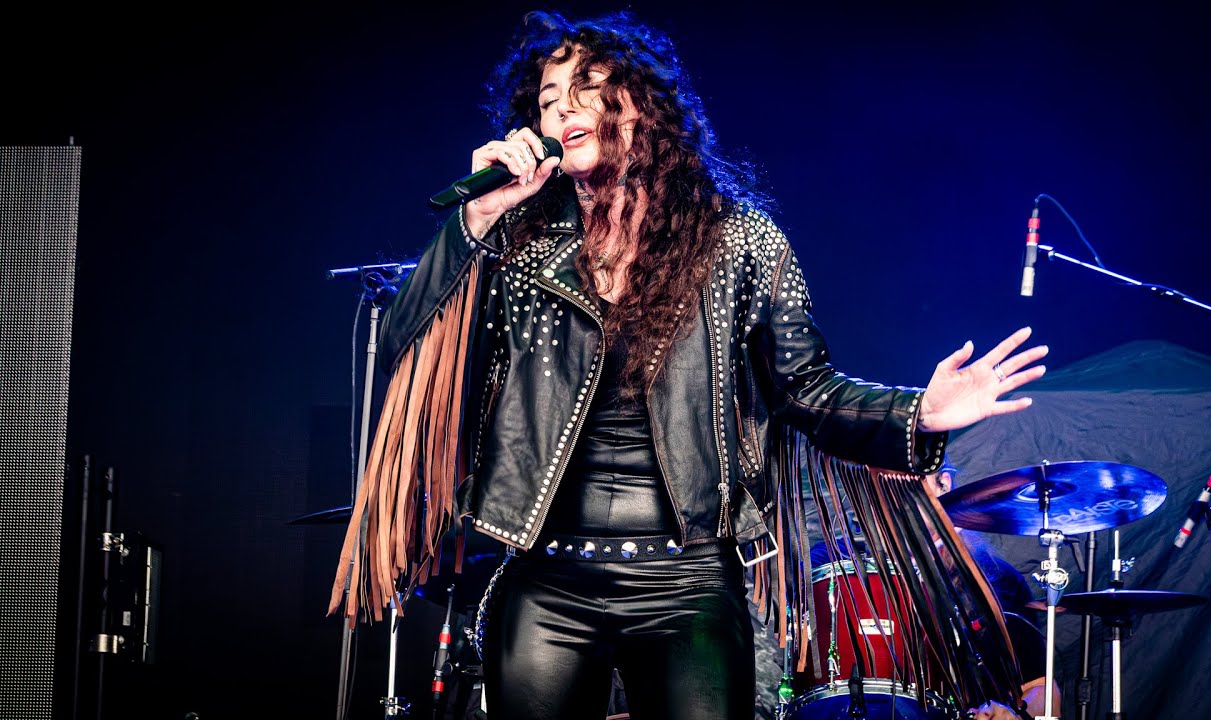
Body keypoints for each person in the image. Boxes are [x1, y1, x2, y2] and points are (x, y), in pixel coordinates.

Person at [329, 10, 1048, 720]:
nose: (563, 108)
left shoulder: (740, 244)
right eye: (548, 100)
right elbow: (405, 350)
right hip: (547, 578)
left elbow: (804, 387)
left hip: (688, 578)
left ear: (642, 106)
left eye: (587, 87)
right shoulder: (517, 242)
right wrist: (477, 221)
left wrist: (920, 412)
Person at [926, 460, 1063, 720]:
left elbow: (1044, 692)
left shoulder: (997, 580)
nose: (898, 496)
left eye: (911, 481)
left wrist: (1013, 716)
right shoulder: (848, 573)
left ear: (943, 483)